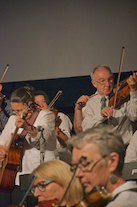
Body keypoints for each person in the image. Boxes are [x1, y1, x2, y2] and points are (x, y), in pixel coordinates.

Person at [0, 86, 58, 206]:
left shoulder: (45, 115)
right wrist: (2, 150)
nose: (17, 114)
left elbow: (45, 136)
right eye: (14, 111)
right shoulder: (12, 119)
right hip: (20, 173)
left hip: (43, 171)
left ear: (30, 104)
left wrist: (27, 127)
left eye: (20, 110)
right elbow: (2, 143)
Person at [69, 124, 137, 207]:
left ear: (112, 162)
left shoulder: (124, 203)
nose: (77, 174)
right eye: (75, 167)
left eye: (84, 164)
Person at [74, 65, 137, 145]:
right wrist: (100, 115)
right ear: (94, 83)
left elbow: (134, 116)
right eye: (102, 81)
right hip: (99, 149)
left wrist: (133, 91)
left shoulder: (124, 97)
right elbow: (85, 128)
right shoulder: (90, 102)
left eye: (110, 79)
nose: (107, 84)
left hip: (123, 147)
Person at [34, 90, 72, 164]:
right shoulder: (34, 122)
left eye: (43, 102)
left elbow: (66, 144)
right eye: (37, 104)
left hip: (62, 161)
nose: (41, 105)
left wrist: (55, 128)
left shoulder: (60, 116)